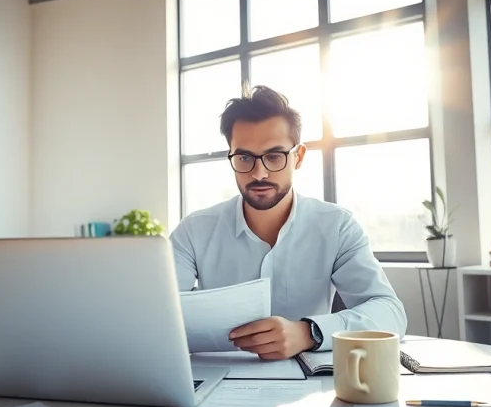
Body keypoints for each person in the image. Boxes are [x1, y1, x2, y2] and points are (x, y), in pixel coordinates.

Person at [169, 85, 408, 360]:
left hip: (309, 383)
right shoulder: (194, 231)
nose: (259, 173)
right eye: (245, 157)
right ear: (231, 157)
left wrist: (308, 333)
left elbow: (390, 312)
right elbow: (159, 316)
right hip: (214, 381)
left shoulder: (337, 226)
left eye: (274, 156)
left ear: (299, 157)